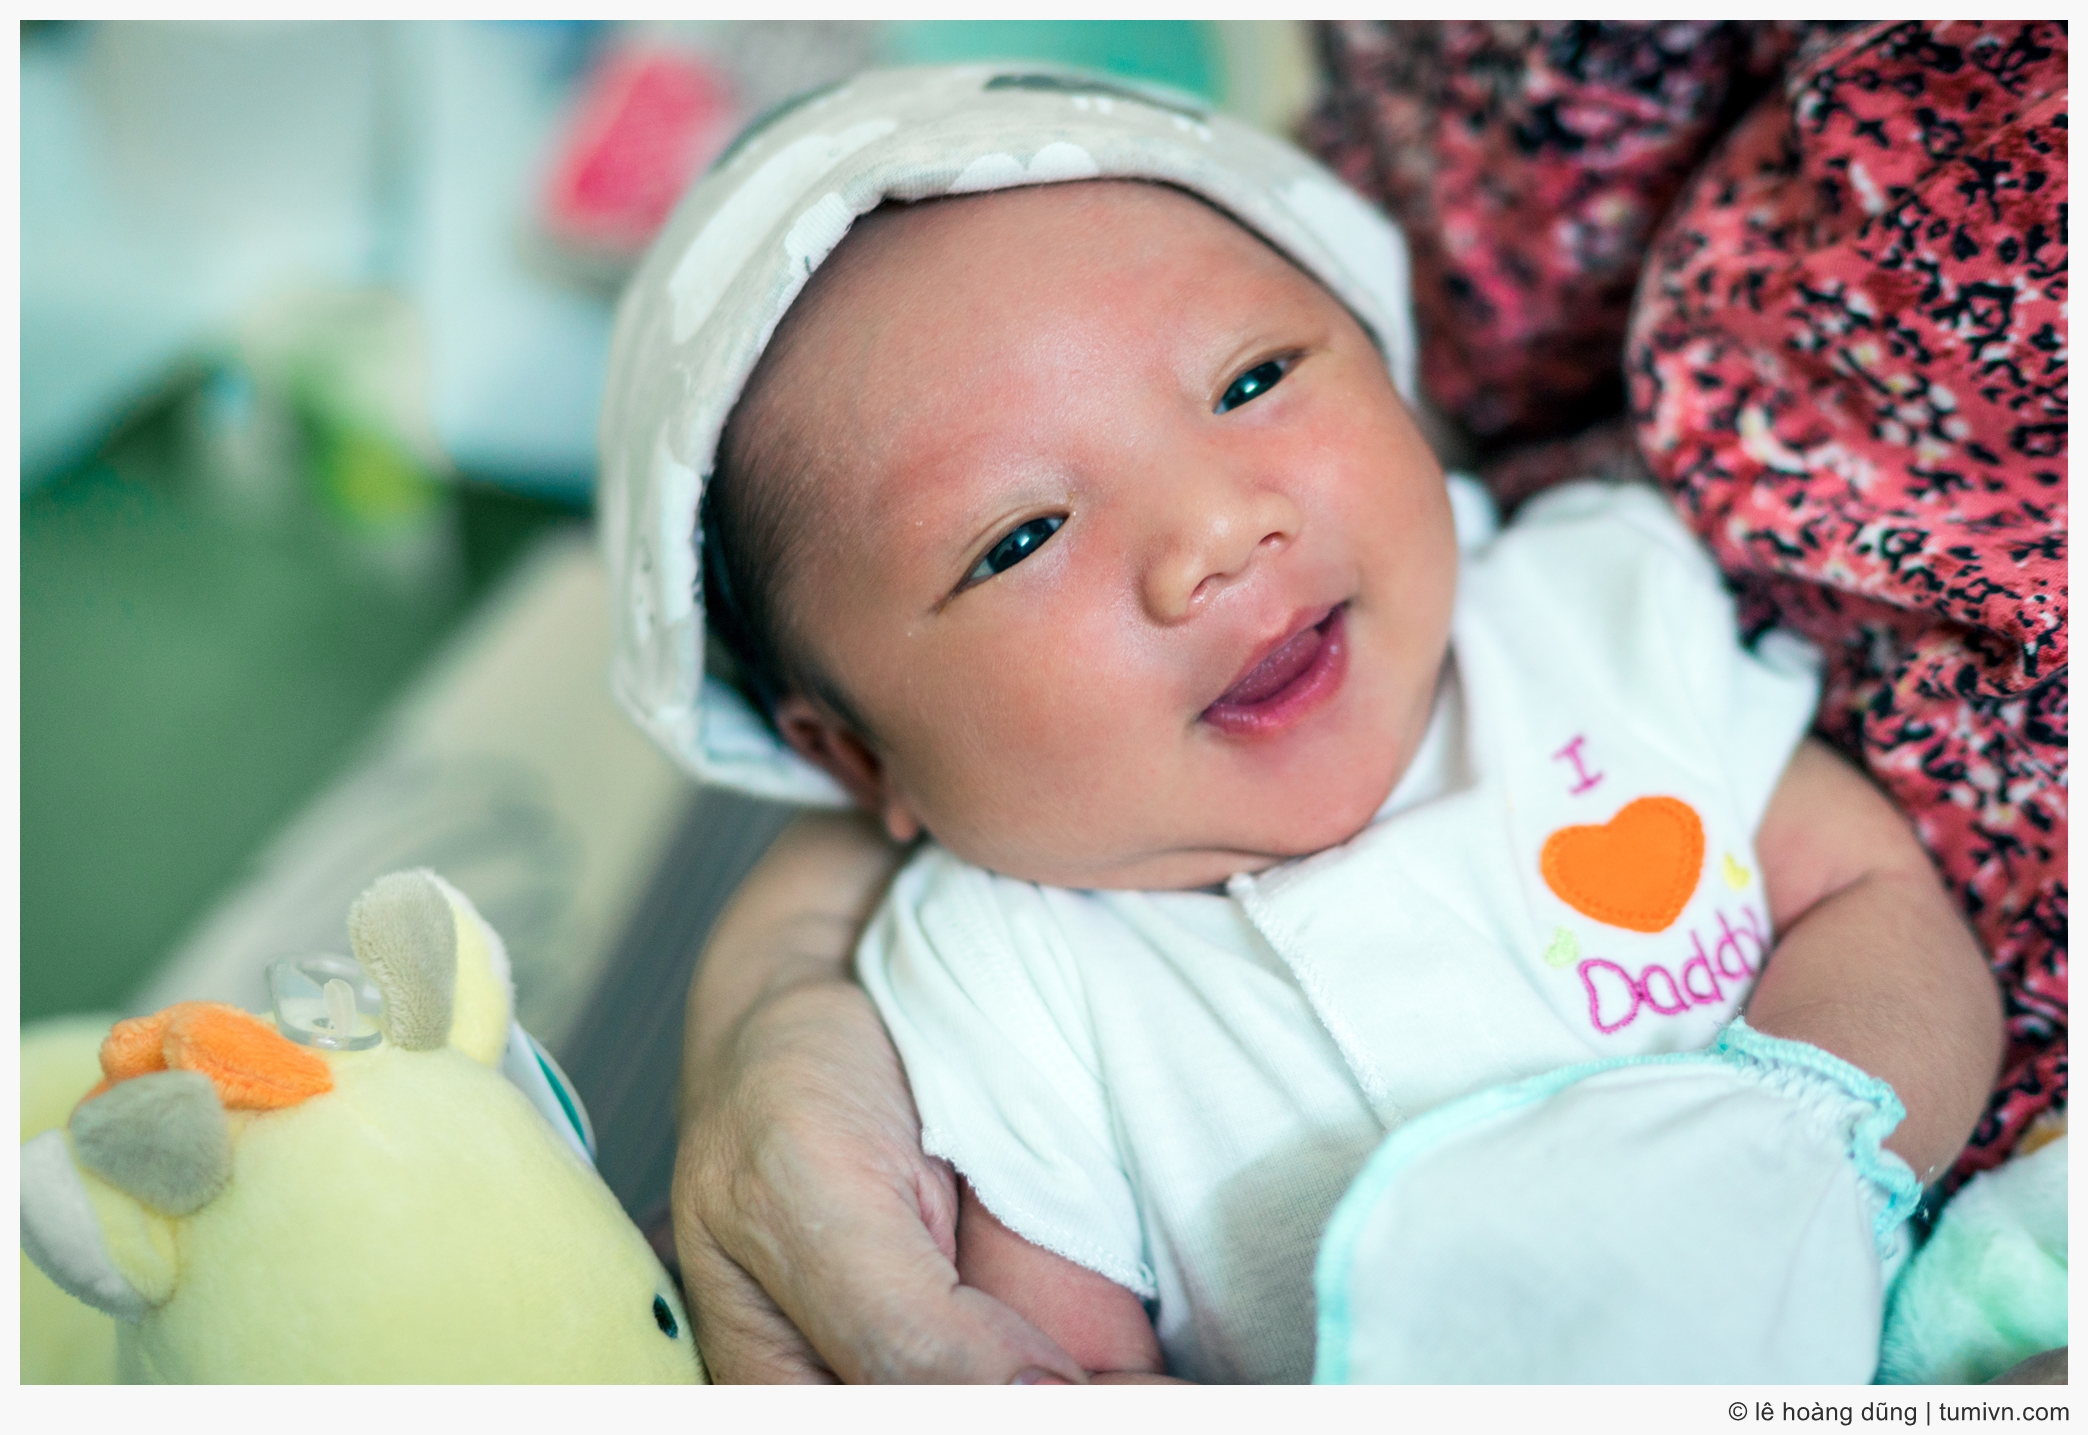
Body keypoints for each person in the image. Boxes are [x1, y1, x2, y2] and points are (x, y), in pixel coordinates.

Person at [599, 65, 2004, 1382]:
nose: (1215, 533)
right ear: (857, 758)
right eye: (1021, 536)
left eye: (1253, 381)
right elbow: (1061, 1359)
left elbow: (1872, 898)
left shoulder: (1585, 624)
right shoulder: (999, 981)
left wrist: (1800, 1127)